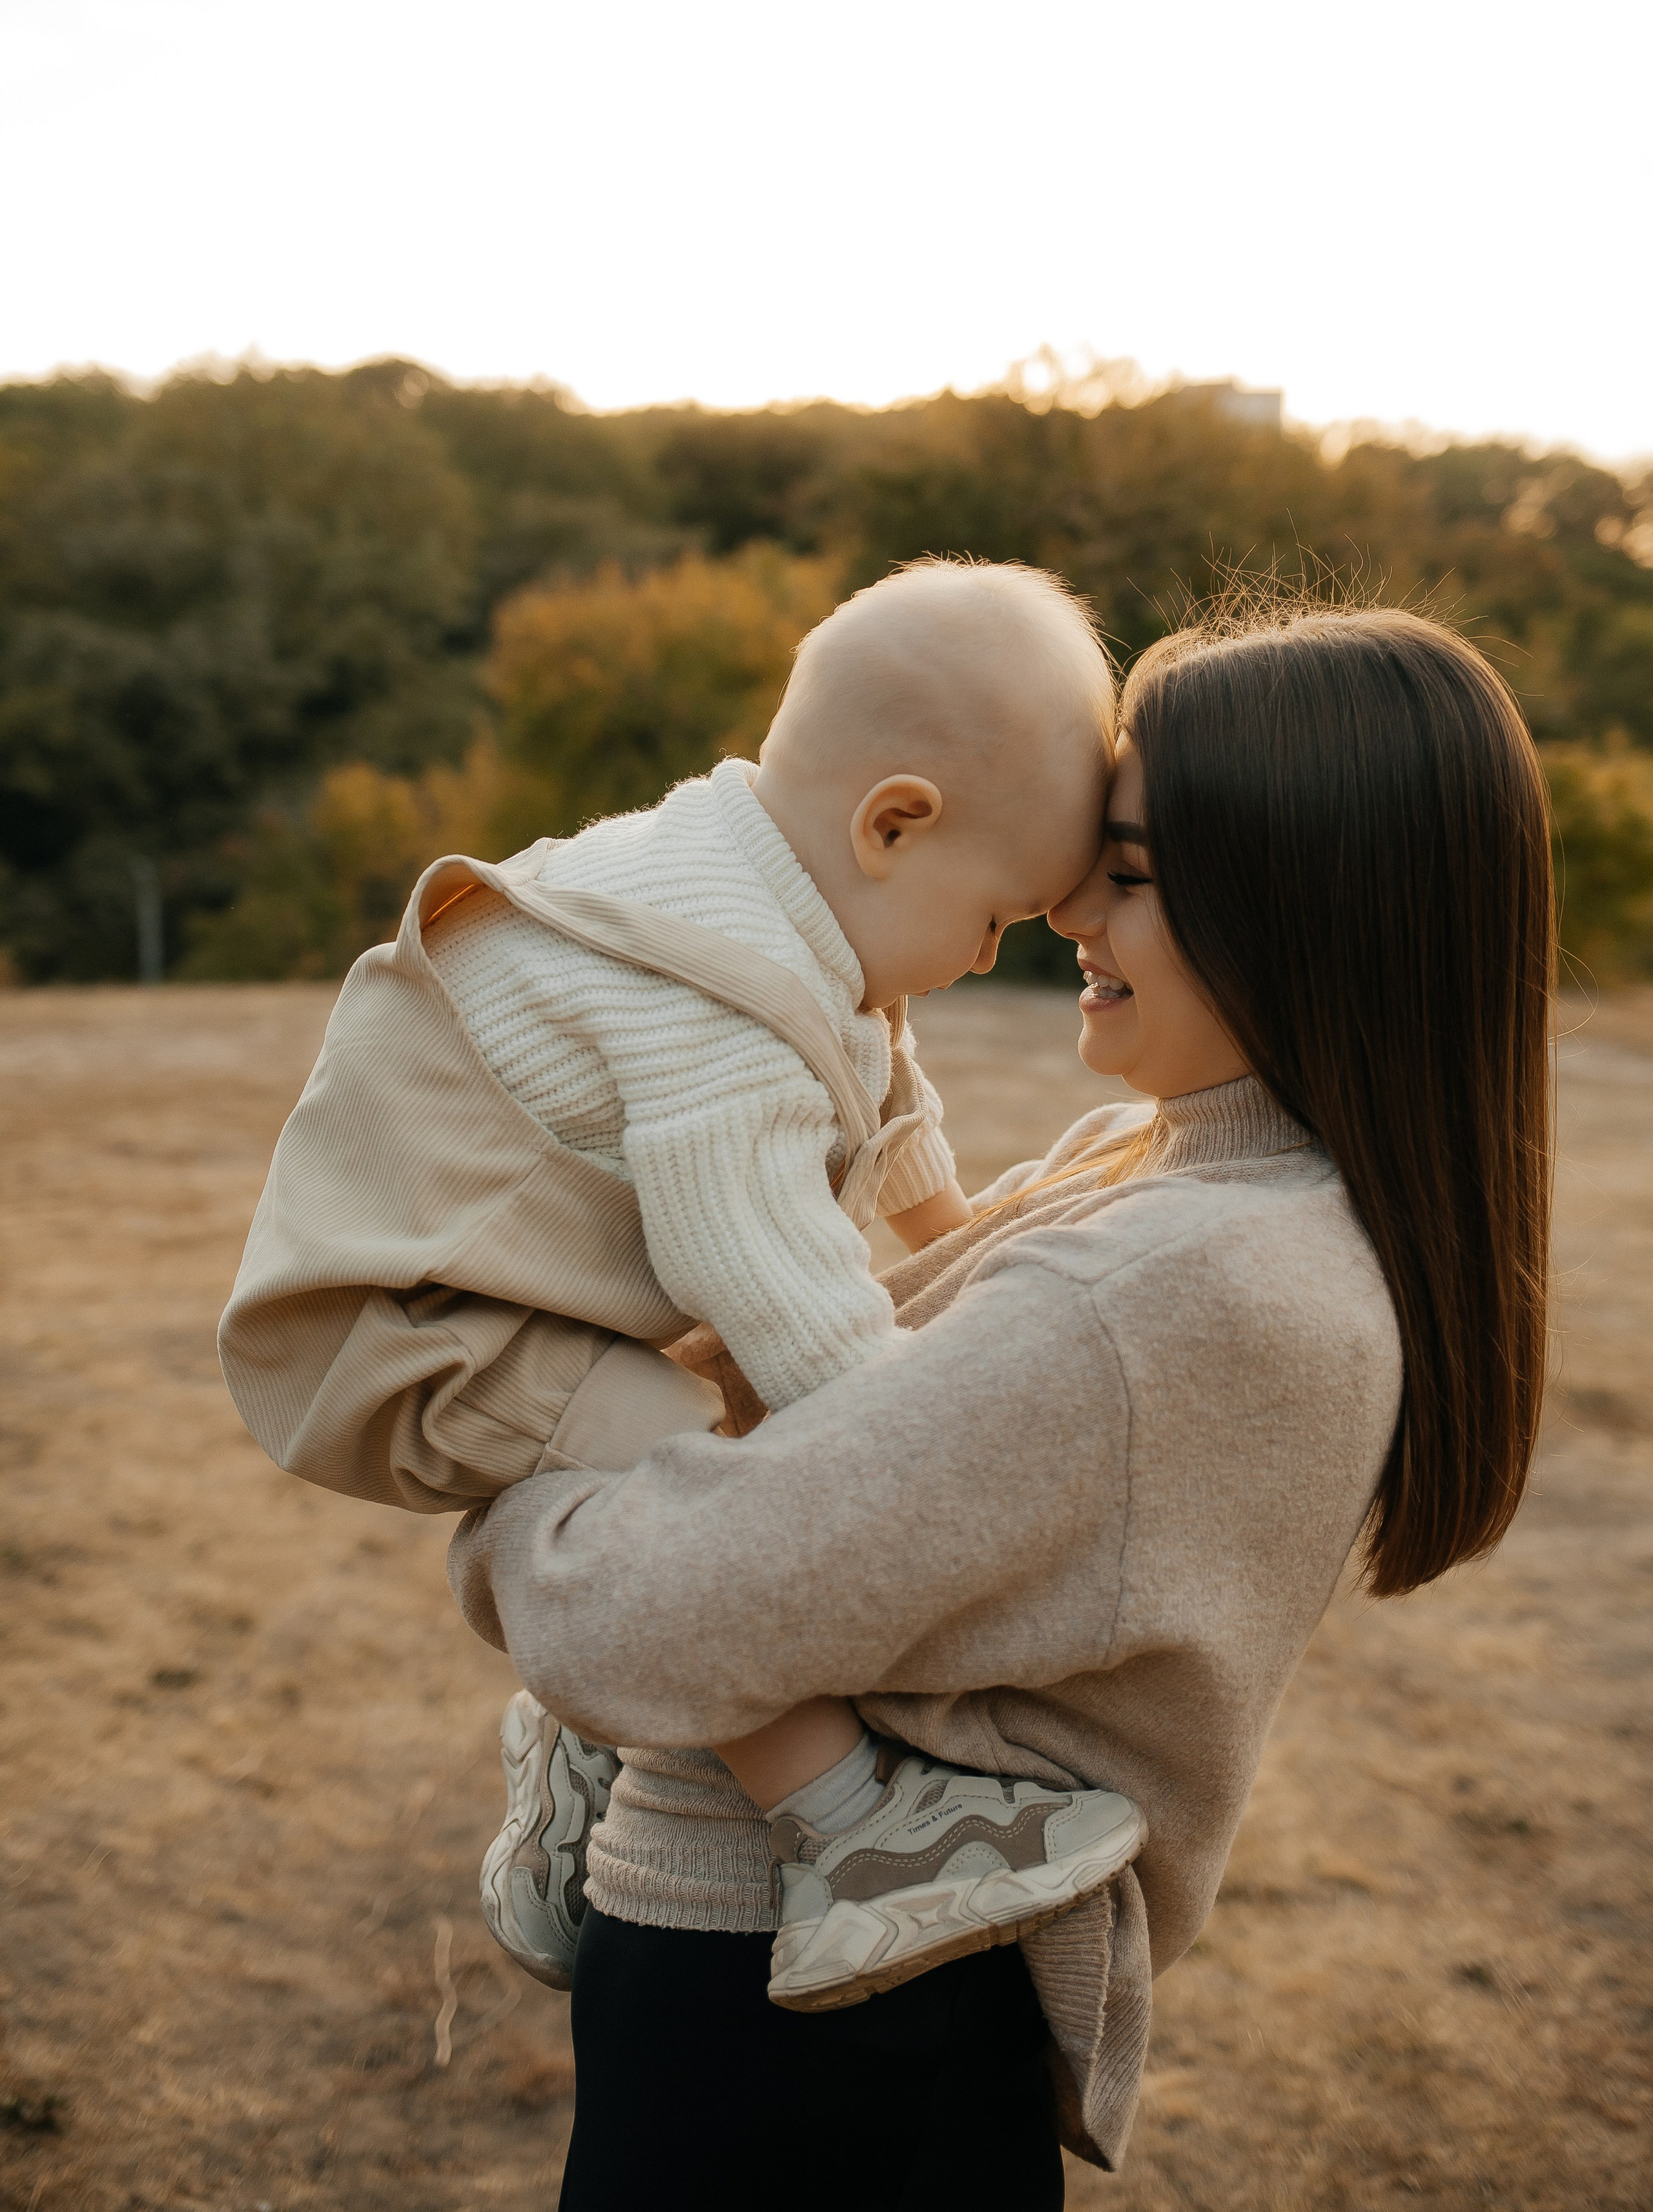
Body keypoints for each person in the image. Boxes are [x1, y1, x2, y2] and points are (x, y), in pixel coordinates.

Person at [447, 602, 1555, 2206]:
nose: (1063, 914)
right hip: (828, 1992)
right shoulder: (1164, 1169)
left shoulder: (1188, 1285)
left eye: (1130, 873)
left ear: (1304, 910)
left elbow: (636, 1618)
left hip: (822, 2019)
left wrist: (496, 1461)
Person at [218, 557, 1144, 2016]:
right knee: (697, 1466)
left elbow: (886, 1091)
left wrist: (958, 1246)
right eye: (997, 921)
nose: (983, 959)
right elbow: (779, 1293)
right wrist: (941, 1459)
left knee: (695, 1426)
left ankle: (577, 1737)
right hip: (393, 1332)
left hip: (497, 1301)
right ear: (893, 824)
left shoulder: (781, 897)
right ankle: (855, 1835)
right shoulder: (700, 987)